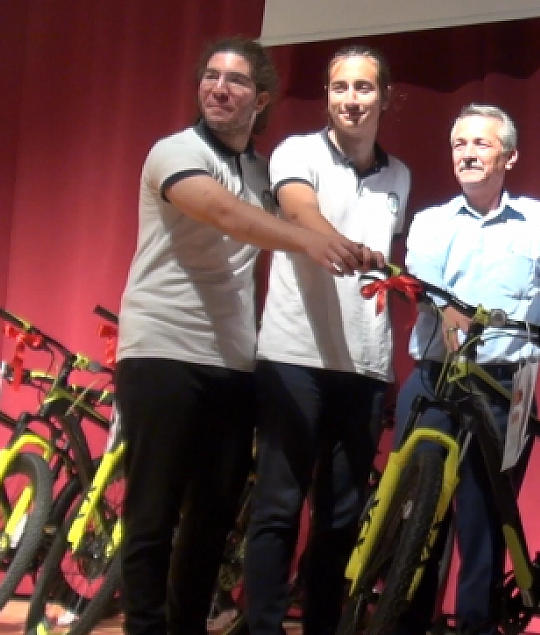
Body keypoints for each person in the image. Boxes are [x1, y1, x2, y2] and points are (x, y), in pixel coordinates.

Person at [115, 37, 371, 635]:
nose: (218, 88)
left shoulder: (261, 171)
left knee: (213, 517)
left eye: (234, 80)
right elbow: (227, 214)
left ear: (260, 99)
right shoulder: (174, 152)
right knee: (153, 513)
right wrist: (309, 240)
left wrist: (351, 246)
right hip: (161, 350)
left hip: (233, 363)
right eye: (210, 76)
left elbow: (297, 211)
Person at [397, 104, 540, 635]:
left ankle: (476, 625)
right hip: (435, 379)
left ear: (509, 157)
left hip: (504, 387)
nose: (468, 154)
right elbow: (424, 284)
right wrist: (447, 312)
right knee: (414, 518)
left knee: (484, 522)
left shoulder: (538, 223)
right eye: (460, 144)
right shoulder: (430, 222)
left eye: (481, 144)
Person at [245, 44, 410, 635]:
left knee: (341, 517)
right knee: (278, 507)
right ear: (327, 96)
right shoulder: (298, 151)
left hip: (364, 366)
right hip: (293, 356)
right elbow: (298, 209)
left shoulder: (399, 175)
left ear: (384, 98)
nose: (351, 99)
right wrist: (333, 242)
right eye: (340, 87)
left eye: (363, 88)